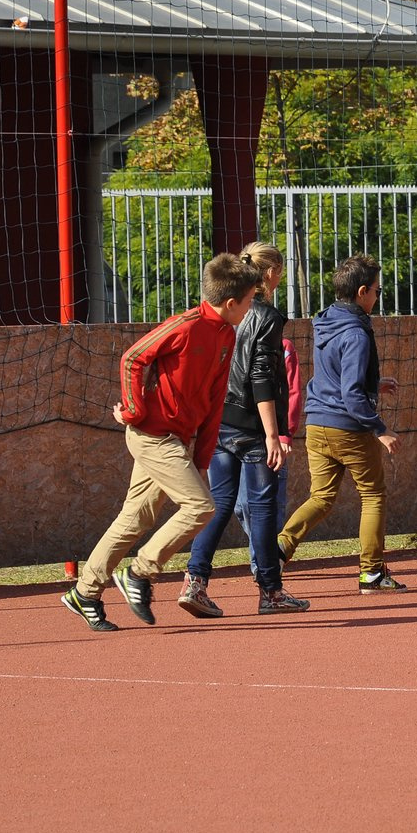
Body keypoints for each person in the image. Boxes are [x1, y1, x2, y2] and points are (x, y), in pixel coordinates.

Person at [61, 253, 260, 631]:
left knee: (135, 517)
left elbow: (216, 398)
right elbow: (133, 358)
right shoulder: (185, 325)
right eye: (250, 300)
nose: (252, 307)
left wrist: (201, 456)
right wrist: (134, 412)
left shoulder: (227, 334)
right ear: (232, 303)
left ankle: (84, 592)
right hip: (152, 435)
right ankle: (140, 572)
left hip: (179, 439)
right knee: (201, 507)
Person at [178, 241, 311, 618]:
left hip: (221, 419)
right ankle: (270, 591)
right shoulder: (266, 316)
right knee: (263, 506)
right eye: (279, 269)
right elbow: (261, 377)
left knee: (219, 504)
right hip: (253, 424)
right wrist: (273, 433)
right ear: (270, 274)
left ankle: (195, 580)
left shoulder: (226, 312)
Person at [276, 252, 406, 593]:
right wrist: (381, 429)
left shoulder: (327, 321)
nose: (378, 297)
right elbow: (349, 393)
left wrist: (374, 384)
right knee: (374, 495)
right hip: (348, 426)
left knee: (321, 497)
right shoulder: (358, 334)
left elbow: (336, 375)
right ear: (363, 292)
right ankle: (372, 573)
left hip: (317, 424)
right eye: (377, 291)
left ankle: (277, 550)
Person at [237, 333, 302, 580]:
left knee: (268, 504)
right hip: (240, 437)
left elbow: (293, 392)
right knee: (242, 506)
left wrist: (284, 435)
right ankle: (267, 552)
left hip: (271, 439)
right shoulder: (233, 344)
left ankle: (263, 564)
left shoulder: (284, 347)